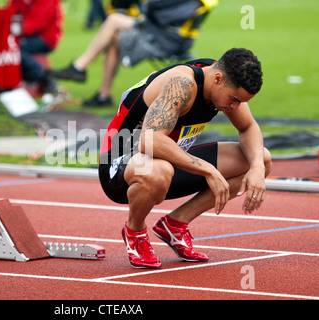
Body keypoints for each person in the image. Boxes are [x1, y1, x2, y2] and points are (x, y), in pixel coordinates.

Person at [98, 48, 272, 269]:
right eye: (234, 99)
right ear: (218, 79)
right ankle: (134, 229)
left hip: (168, 164)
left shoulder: (221, 79)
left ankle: (175, 224)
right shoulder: (181, 84)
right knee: (158, 171)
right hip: (119, 166)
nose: (235, 107)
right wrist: (208, 170)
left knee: (262, 158)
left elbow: (248, 127)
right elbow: (149, 141)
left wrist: (256, 167)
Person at [51, 0, 217, 106]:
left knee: (113, 21)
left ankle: (80, 67)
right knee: (114, 37)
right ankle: (103, 94)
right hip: (174, 37)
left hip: (165, 40)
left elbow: (152, 12)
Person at [6, 0, 63, 94]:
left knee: (16, 49)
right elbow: (10, 11)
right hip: (28, 34)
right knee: (9, 47)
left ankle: (45, 76)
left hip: (46, 37)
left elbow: (39, 21)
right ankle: (9, 82)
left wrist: (14, 31)